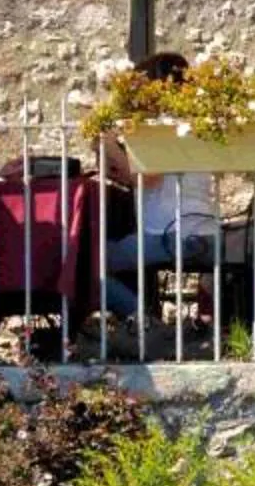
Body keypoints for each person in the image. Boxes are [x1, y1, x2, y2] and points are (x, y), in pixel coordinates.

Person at [94, 53, 220, 342]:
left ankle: (143, 318)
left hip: (170, 235)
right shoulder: (198, 126)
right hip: (207, 232)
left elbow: (143, 177)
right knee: (120, 252)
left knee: (88, 263)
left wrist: (107, 140)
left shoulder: (163, 131)